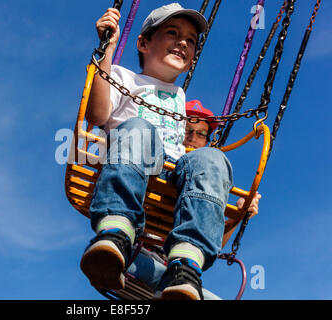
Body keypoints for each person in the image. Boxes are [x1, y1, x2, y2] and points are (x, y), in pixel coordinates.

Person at [80, 3, 236, 300]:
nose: (182, 42)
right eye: (172, 33)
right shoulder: (122, 77)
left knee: (213, 158)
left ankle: (185, 266)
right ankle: (116, 230)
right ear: (143, 43)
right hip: (132, 165)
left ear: (191, 59)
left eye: (190, 40)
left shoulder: (179, 96)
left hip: (170, 181)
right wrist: (107, 49)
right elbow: (98, 115)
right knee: (139, 128)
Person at [125, 100, 261, 299]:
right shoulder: (154, 162)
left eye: (200, 133)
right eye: (186, 129)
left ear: (207, 140)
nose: (192, 137)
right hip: (139, 255)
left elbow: (212, 240)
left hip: (176, 268)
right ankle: (171, 283)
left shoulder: (206, 185)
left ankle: (174, 282)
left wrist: (238, 217)